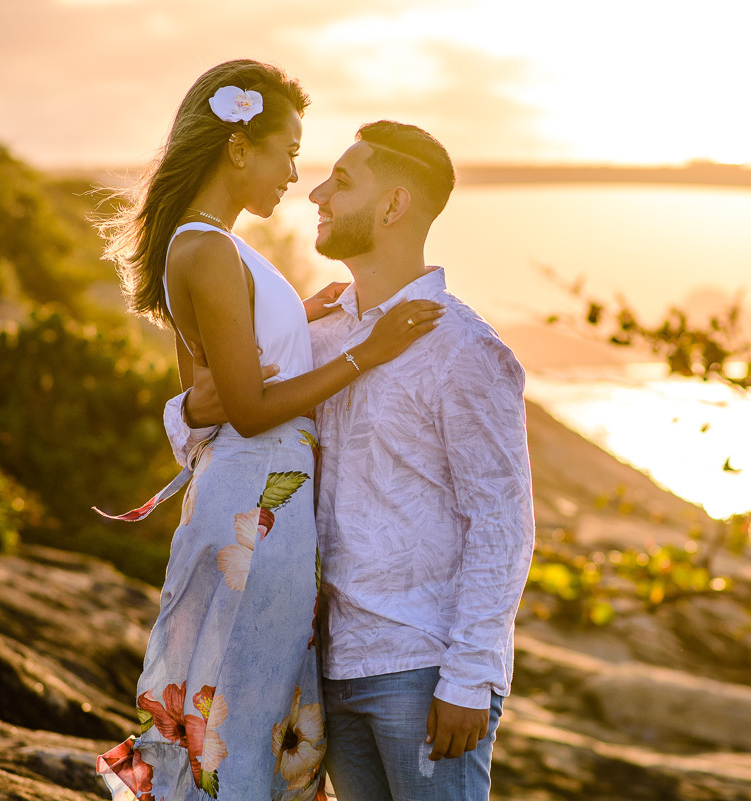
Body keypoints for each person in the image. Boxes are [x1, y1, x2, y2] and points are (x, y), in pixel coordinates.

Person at [94, 61, 441, 801]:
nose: (293, 174)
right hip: (256, 503)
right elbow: (247, 408)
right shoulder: (207, 248)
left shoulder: (213, 245)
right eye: (287, 151)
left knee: (246, 707)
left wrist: (297, 319)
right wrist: (367, 352)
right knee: (241, 717)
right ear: (237, 146)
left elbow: (211, 393)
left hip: (260, 499)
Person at [171, 121, 536, 801]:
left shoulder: (464, 350)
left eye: (341, 181)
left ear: (393, 205)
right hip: (328, 667)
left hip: (422, 667)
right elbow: (216, 429)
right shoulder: (319, 337)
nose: (316, 193)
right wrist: (190, 410)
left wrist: (469, 677)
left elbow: (502, 525)